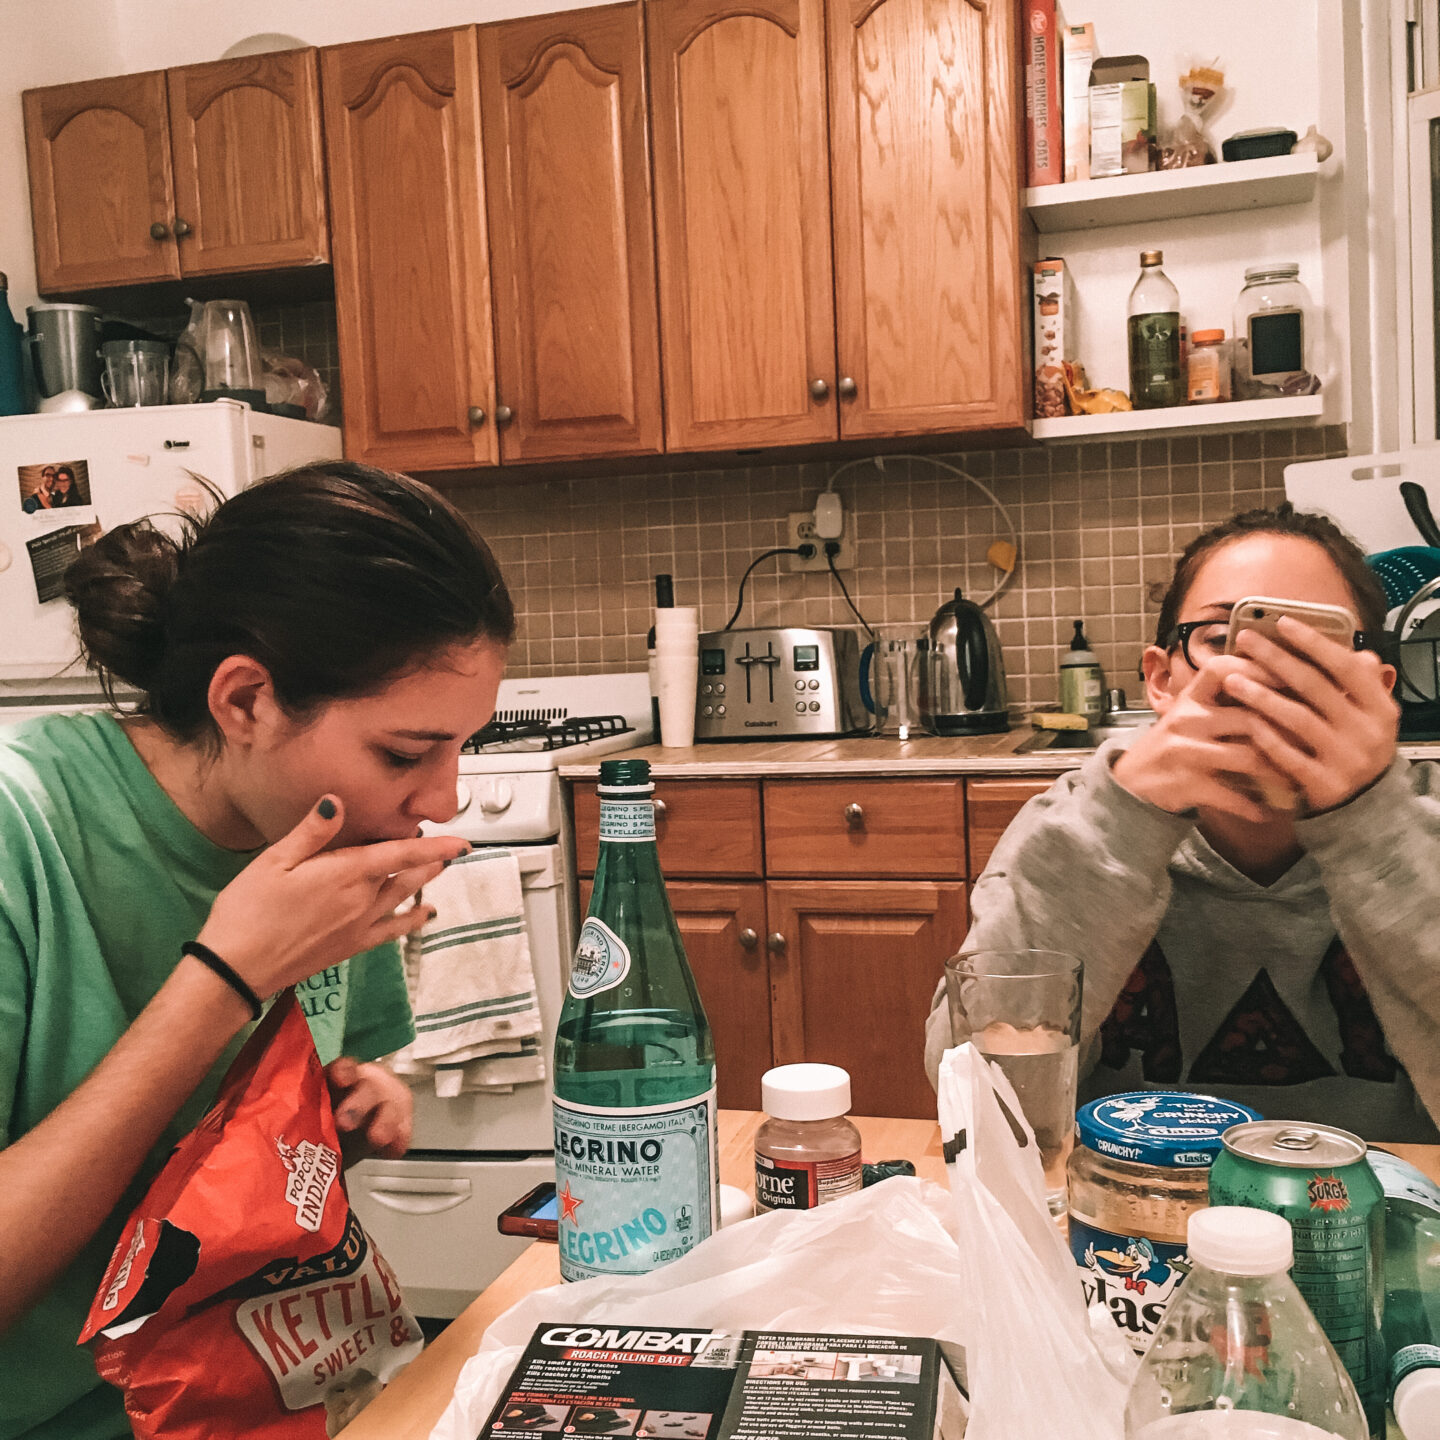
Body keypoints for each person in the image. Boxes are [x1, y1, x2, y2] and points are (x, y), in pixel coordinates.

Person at [0, 460, 515, 1440]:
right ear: (244, 702)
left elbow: (233, 1191)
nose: (443, 800)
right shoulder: (21, 828)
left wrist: (333, 1129)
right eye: (406, 755)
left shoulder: (318, 837)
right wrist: (226, 979)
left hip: (249, 1403)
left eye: (462, 749)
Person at [925, 502, 1440, 1143]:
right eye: (1223, 640)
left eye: (1313, 647)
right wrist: (1124, 822)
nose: (1263, 680)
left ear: (1379, 688)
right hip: (1121, 1218)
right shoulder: (1073, 827)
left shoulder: (1426, 830)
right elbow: (976, 1103)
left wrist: (1369, 826)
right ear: (1162, 680)